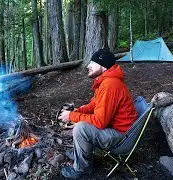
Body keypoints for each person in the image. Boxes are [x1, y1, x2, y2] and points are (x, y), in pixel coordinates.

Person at [58, 49, 138, 178]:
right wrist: (77, 111)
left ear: (103, 66)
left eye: (92, 63)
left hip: (121, 137)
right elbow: (94, 105)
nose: (88, 66)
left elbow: (100, 121)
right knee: (81, 119)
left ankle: (82, 169)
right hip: (116, 128)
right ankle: (80, 153)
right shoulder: (106, 81)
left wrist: (72, 117)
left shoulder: (110, 85)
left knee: (81, 128)